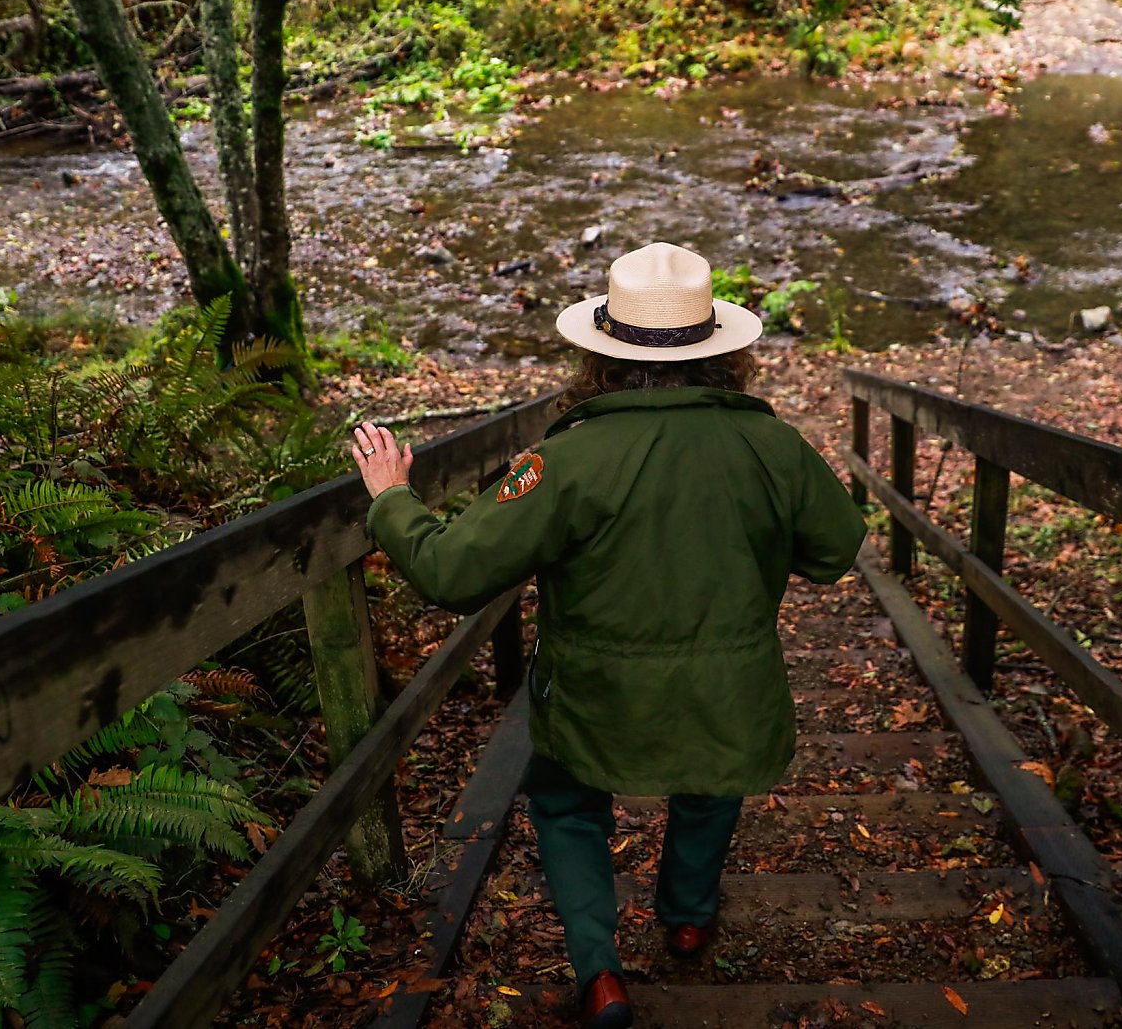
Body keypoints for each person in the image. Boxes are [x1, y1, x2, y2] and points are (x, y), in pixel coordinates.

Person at [350, 241, 867, 1029]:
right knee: (712, 771)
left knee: (565, 802)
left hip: (597, 696)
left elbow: (451, 573)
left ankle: (601, 972)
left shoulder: (565, 460)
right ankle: (688, 916)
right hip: (729, 690)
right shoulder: (775, 448)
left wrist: (392, 498)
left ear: (602, 356)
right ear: (720, 357)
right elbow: (835, 551)